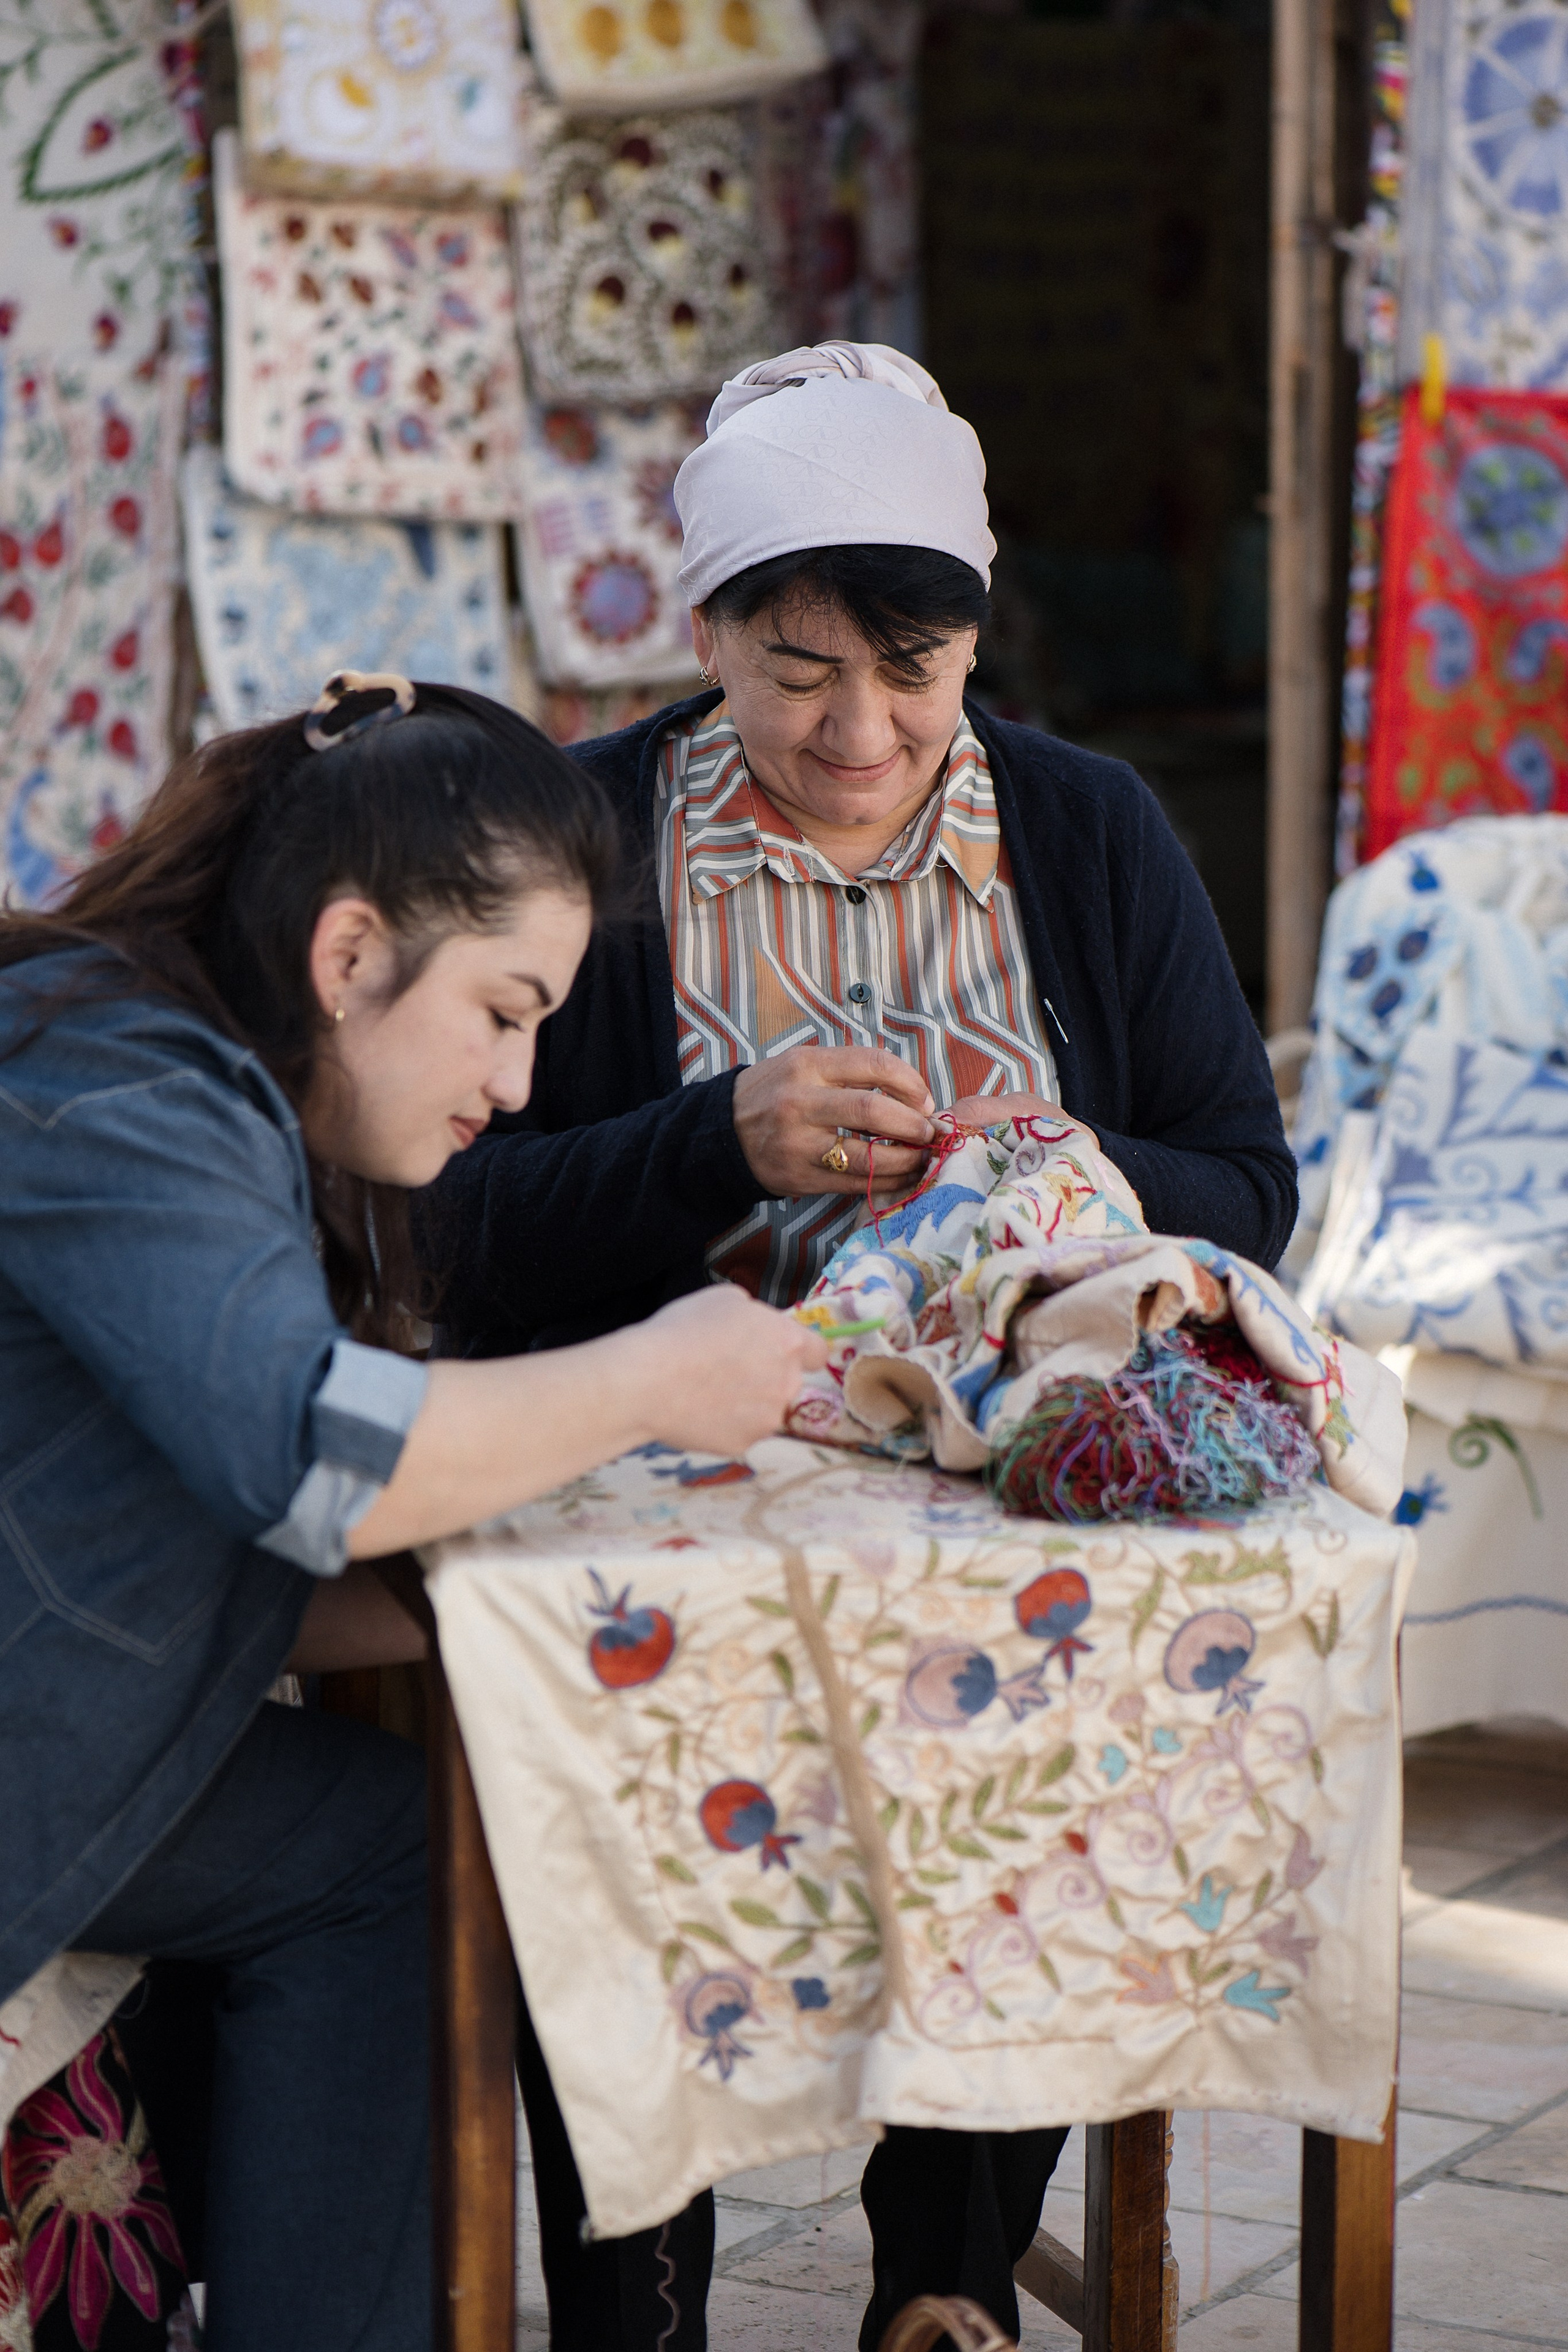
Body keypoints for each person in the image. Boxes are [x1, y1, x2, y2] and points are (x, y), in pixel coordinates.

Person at [422, 346, 1298, 2349]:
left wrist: (1063, 1160)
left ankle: (946, 2281)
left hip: (997, 1480)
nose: (862, 729)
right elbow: (446, 1223)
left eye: (917, 671)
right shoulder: (578, 834)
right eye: (800, 668)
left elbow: (1250, 1182)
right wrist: (708, 1142)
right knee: (610, 1790)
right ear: (705, 632)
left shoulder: (1084, 829)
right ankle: (637, 2304)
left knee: (1063, 1745)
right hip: (658, 1478)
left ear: (976, 642)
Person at [0, 674, 824, 2352]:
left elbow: (183, 1551)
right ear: (350, 953)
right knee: (392, 1858)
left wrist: (561, 1560)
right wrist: (652, 1378)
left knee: (399, 1850)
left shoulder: (184, 1077)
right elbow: (314, 1461)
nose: (517, 1085)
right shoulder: (114, 1080)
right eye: (504, 1013)